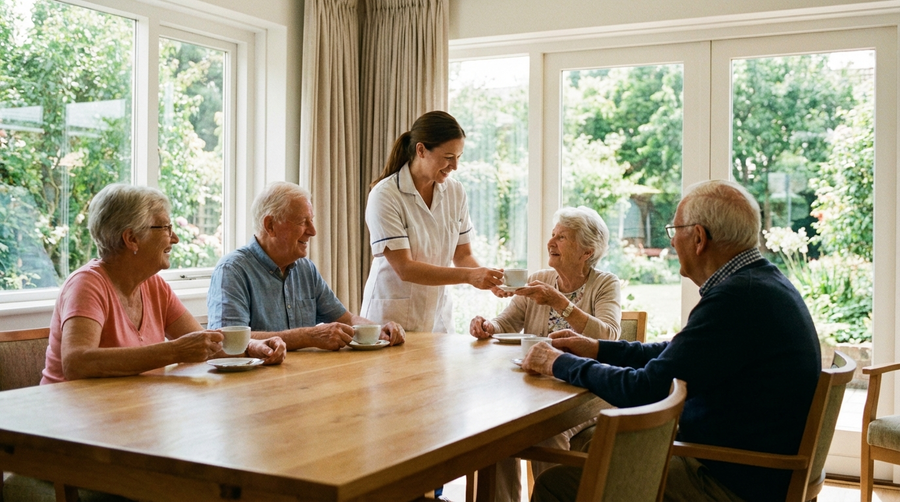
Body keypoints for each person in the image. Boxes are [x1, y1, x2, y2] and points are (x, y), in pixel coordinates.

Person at [524, 180, 821, 502]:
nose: (672, 241)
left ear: (698, 238)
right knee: (594, 443)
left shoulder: (737, 299)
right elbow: (678, 353)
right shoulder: (759, 284)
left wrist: (560, 363)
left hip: (729, 481)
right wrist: (598, 349)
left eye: (674, 231)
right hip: (745, 465)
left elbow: (645, 389)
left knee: (556, 483)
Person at [41, 184, 286, 385]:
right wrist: (174, 351)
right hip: (70, 417)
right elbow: (76, 363)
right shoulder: (86, 284)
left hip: (127, 409)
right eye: (166, 228)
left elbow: (207, 344)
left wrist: (253, 347)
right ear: (132, 238)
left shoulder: (154, 286)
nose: (175, 238)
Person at [469, 206, 621, 502]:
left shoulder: (605, 283)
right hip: (537, 387)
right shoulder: (540, 278)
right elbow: (507, 322)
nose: (550, 242)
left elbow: (609, 335)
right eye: (553, 235)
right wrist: (488, 326)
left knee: (546, 431)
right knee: (497, 430)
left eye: (562, 237)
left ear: (587, 252)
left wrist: (560, 302)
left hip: (587, 391)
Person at [207, 182, 405, 349]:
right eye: (303, 222)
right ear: (270, 226)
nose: (313, 231)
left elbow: (347, 319)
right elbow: (227, 342)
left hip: (303, 376)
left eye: (311, 221)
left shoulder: (305, 269)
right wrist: (308, 336)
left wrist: (379, 330)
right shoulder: (232, 270)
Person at [361, 110, 504, 334]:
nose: (455, 166)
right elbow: (405, 268)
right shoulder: (385, 195)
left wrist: (490, 279)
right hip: (392, 319)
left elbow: (462, 255)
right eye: (448, 157)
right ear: (421, 150)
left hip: (438, 318)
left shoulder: (455, 191)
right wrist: (470, 276)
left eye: (458, 157)